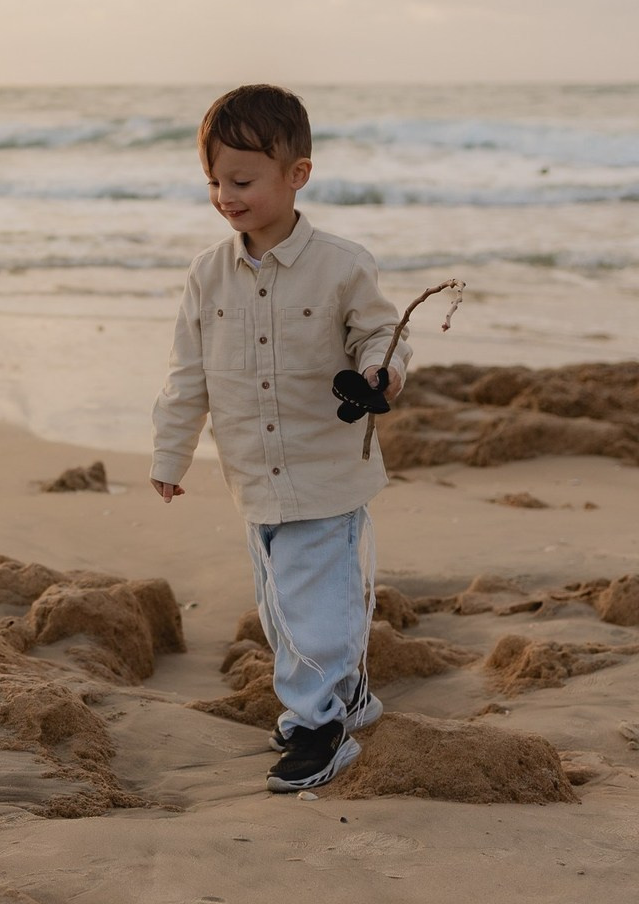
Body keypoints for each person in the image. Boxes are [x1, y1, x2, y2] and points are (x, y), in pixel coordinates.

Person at [150, 84, 409, 792]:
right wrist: (171, 454)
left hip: (325, 473)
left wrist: (381, 372)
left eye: (242, 181)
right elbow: (187, 375)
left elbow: (382, 334)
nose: (225, 196)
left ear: (298, 175)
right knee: (280, 607)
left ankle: (318, 727)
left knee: (313, 605)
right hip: (254, 475)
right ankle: (348, 696)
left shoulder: (343, 265)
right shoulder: (207, 276)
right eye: (214, 182)